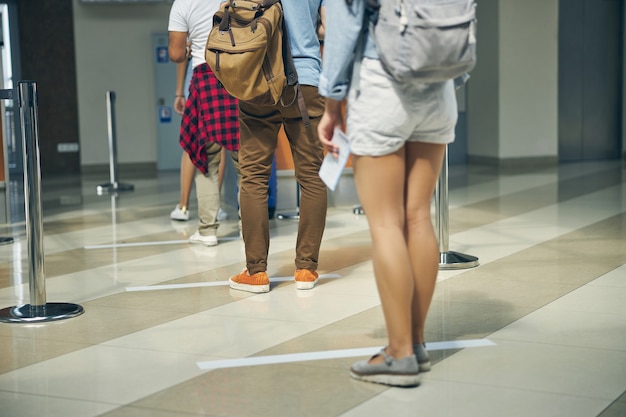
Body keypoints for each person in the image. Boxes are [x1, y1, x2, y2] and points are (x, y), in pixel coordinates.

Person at [317, 0, 458, 387]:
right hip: (439, 83)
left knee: (385, 224)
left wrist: (332, 104)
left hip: (382, 83)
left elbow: (344, 27)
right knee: (418, 216)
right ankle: (415, 341)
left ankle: (398, 354)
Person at [228, 2, 328, 293]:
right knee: (311, 176)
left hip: (258, 80)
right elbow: (329, 29)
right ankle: (306, 269)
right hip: (305, 79)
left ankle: (256, 272)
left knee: (254, 178)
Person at [168, 0, 240, 246]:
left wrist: (189, 47)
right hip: (242, 74)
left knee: (208, 157)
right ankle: (249, 227)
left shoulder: (183, 4)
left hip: (206, 76)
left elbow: (176, 54)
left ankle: (208, 230)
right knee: (247, 161)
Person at [169, 51, 229, 223]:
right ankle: (214, 208)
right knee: (220, 139)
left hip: (197, 73)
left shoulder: (189, 21)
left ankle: (183, 206)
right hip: (223, 73)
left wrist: (179, 92)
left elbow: (181, 53)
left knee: (192, 141)